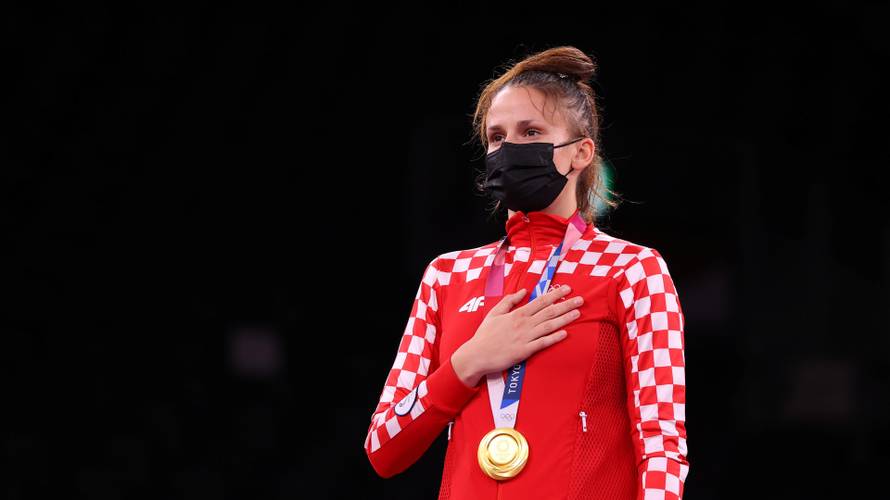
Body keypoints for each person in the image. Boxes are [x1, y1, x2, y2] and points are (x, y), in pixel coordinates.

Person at [363, 45, 689, 500]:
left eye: (530, 131)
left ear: (580, 152)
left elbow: (661, 444)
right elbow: (382, 448)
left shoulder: (632, 270)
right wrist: (469, 362)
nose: (508, 148)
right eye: (496, 137)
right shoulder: (447, 276)